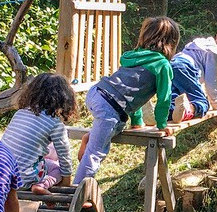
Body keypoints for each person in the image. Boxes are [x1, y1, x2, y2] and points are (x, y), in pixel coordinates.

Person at [72, 16, 181, 185]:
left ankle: (91, 136)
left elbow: (133, 92)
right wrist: (162, 124)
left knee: (119, 124)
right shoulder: (162, 65)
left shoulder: (134, 56)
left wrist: (137, 121)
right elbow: (164, 98)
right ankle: (77, 192)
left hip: (96, 93)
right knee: (96, 152)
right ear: (171, 42)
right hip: (110, 105)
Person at [1, 72, 76, 195]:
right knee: (56, 168)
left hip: (2, 176)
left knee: (43, 159)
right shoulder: (54, 123)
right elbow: (64, 155)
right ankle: (42, 185)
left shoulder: (20, 113)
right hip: (23, 180)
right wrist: (66, 181)